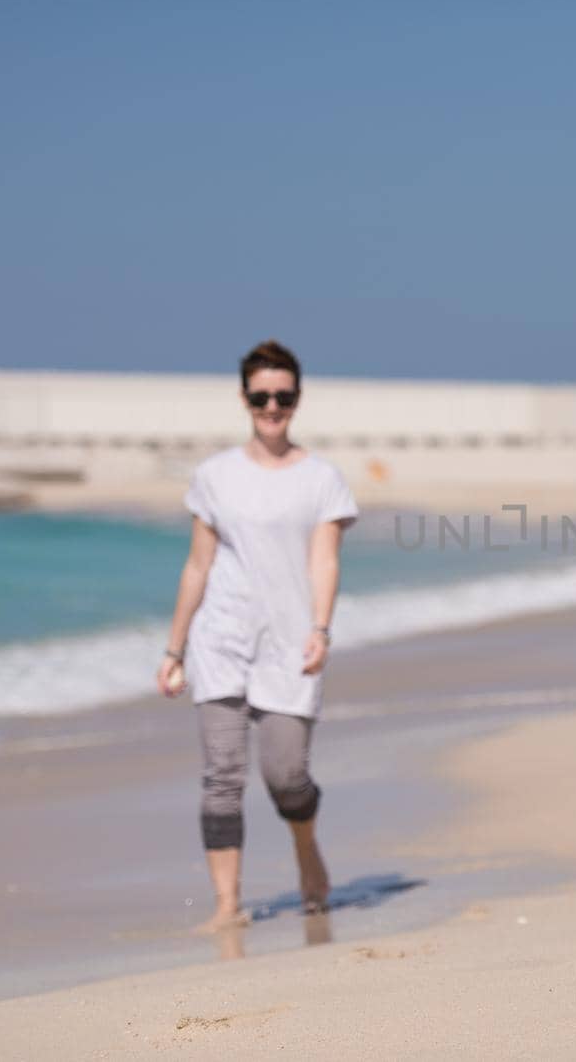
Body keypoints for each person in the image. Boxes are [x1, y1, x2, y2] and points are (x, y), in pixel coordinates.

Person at [157, 340, 359, 931]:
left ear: (297, 399)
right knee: (222, 778)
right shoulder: (215, 476)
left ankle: (305, 847)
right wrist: (174, 649)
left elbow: (325, 561)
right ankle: (227, 907)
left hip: (289, 642)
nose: (273, 406)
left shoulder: (323, 479)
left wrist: (321, 628)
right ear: (244, 398)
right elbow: (197, 566)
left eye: (284, 396)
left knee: (285, 776)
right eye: (261, 396)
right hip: (220, 639)